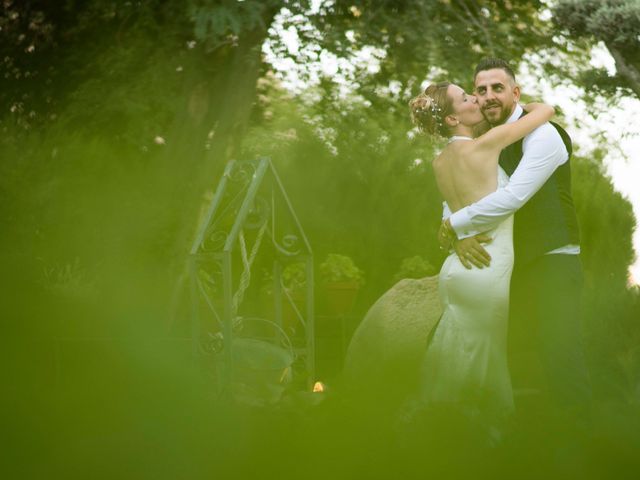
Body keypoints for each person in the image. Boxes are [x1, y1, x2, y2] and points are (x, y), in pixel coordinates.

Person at [439, 58, 592, 417]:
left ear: (515, 92)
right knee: (512, 358)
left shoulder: (544, 134)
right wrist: (457, 234)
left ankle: (582, 452)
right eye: (481, 90)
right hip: (508, 265)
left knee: (559, 354)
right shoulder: (480, 140)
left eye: (497, 88)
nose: (488, 96)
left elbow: (513, 198)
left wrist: (454, 225)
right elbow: (454, 192)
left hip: (553, 258)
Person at [408, 80, 555, 425]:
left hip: (455, 268)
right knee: (485, 361)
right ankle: (485, 437)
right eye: (466, 98)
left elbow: (452, 207)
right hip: (487, 268)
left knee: (451, 357)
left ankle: (436, 426)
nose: (476, 99)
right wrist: (521, 101)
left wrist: (457, 235)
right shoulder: (485, 146)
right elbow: (546, 112)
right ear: (451, 120)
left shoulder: (439, 162)